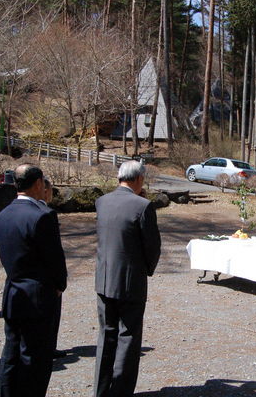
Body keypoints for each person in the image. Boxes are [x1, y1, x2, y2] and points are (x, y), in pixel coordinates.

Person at [0, 164, 67, 397]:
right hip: (39, 296)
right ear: (38, 184)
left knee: (11, 354)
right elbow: (54, 259)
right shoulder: (43, 215)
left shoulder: (2, 214)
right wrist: (59, 285)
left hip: (13, 291)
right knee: (35, 359)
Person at [94, 160, 161, 396]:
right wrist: (147, 269)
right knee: (129, 338)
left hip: (104, 279)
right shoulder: (143, 206)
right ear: (139, 179)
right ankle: (121, 391)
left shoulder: (102, 202)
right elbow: (152, 247)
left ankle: (100, 391)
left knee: (106, 336)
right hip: (130, 282)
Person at [38, 177, 67, 360]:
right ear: (43, 190)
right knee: (49, 315)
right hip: (46, 278)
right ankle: (47, 346)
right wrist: (60, 281)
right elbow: (53, 251)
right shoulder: (46, 213)